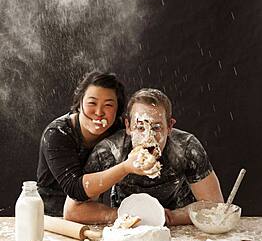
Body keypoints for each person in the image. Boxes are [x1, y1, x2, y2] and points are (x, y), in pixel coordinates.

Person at [64, 88, 224, 225]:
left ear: (169, 127)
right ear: (128, 127)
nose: (149, 137)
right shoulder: (109, 151)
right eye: (140, 127)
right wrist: (124, 216)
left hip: (179, 228)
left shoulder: (187, 147)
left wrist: (171, 217)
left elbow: (215, 205)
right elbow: (73, 211)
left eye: (156, 127)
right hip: (128, 227)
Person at [37, 71, 126, 216]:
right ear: (79, 104)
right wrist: (126, 167)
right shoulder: (57, 134)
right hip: (50, 219)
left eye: (108, 105)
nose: (99, 112)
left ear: (118, 110)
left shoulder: (118, 129)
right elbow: (75, 189)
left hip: (90, 214)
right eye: (92, 103)